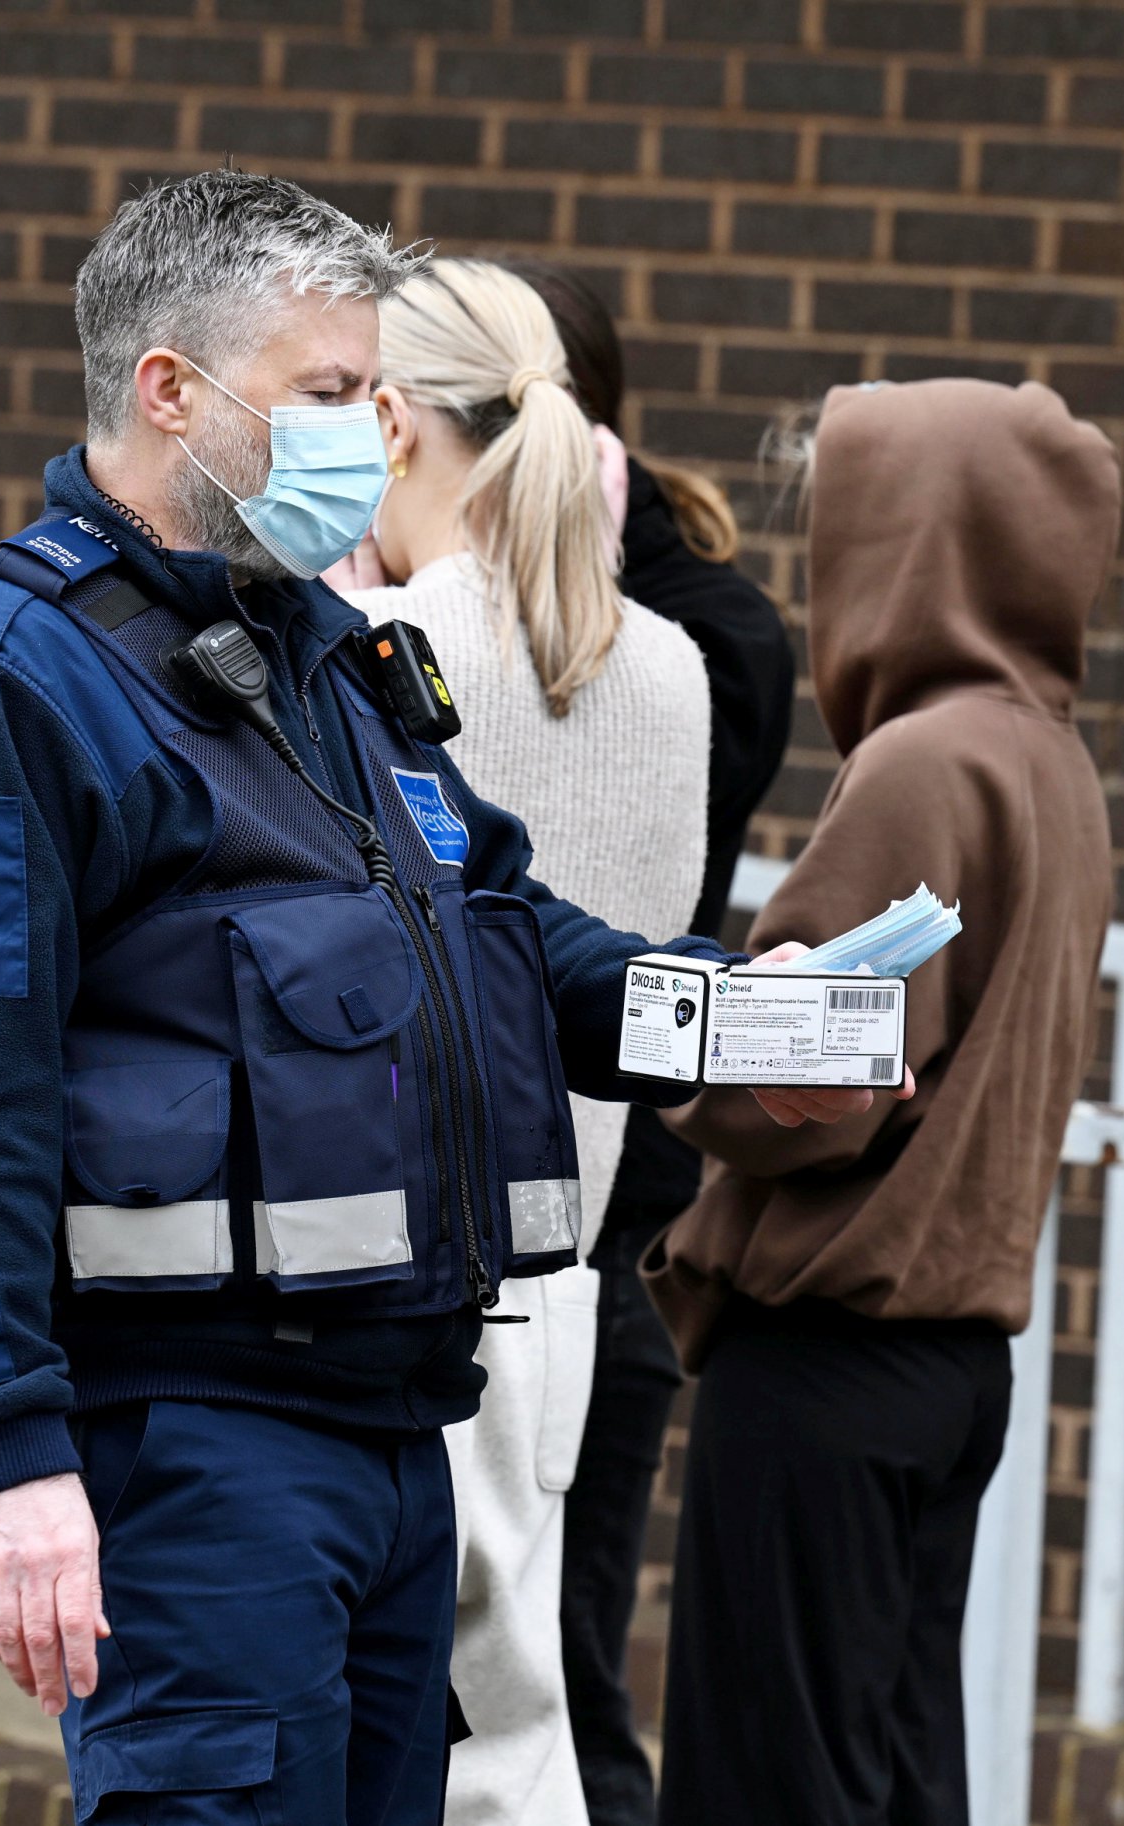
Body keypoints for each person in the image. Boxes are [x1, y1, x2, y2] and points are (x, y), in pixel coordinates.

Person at [0, 169, 865, 1826]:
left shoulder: (322, 653)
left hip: (394, 1432)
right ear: (170, 390)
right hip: (195, 1447)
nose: (369, 439)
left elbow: (511, 937)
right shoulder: (5, 677)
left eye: (378, 396)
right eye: (327, 393)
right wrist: (7, 1451)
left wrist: (736, 1024)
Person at [644, 377, 1120, 1826]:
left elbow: (813, 1086)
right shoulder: (1051, 761)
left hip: (825, 1356)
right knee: (898, 1780)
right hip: (950, 1364)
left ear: (909, 547)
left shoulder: (923, 762)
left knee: (766, 1791)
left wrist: (666, 1027)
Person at [338, 256, 711, 1826]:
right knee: (519, 1734)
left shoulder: (364, 650)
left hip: (386, 1274)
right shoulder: (674, 670)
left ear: (392, 422)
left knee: (377, 1732)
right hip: (565, 1282)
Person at [505, 259, 796, 1826]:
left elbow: (562, 904)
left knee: (556, 1684)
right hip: (482, 1221)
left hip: (601, 1221)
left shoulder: (694, 637)